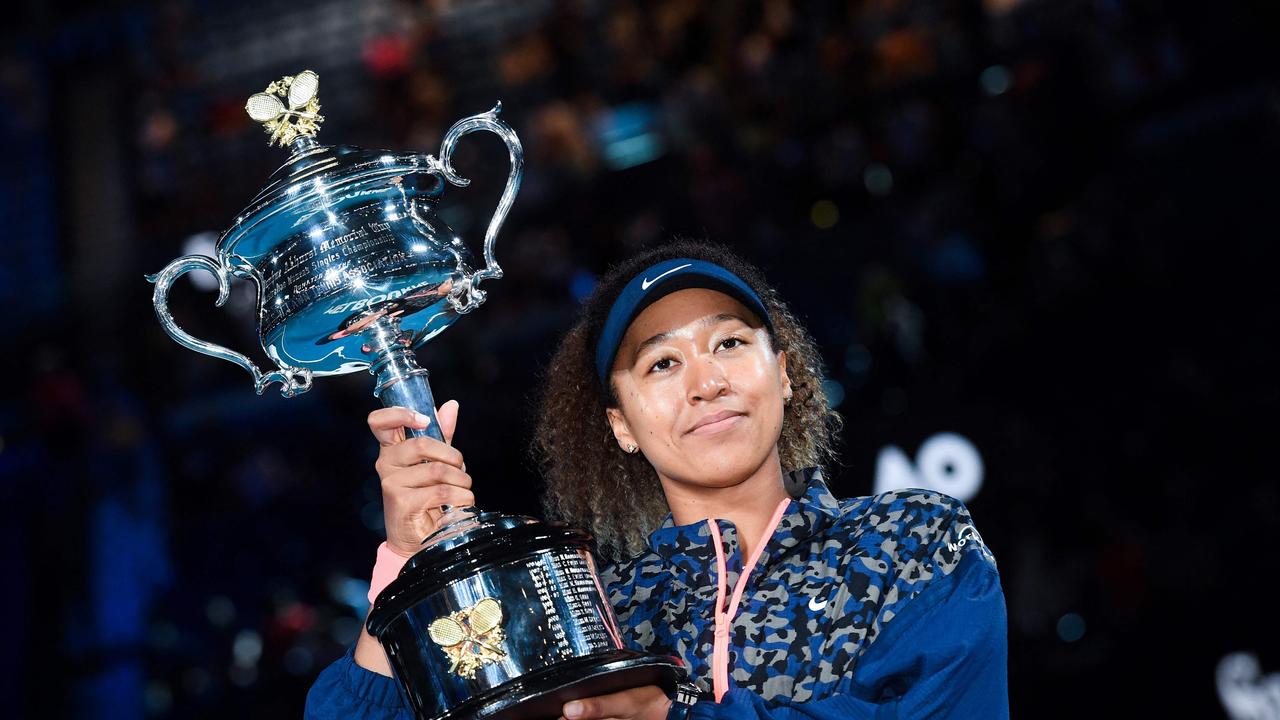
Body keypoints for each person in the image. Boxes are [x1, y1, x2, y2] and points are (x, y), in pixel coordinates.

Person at [306, 240, 1009, 719]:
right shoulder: (595, 615)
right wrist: (410, 565)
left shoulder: (914, 541)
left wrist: (679, 713)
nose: (705, 382)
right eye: (661, 364)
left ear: (786, 374)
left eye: (730, 343)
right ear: (620, 425)